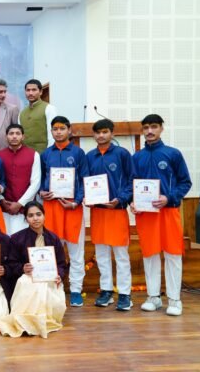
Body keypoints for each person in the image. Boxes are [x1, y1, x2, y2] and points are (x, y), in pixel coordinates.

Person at [132, 114, 192, 316]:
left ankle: (174, 300)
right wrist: (133, 202)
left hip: (168, 211)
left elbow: (185, 182)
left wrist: (169, 197)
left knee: (173, 254)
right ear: (142, 130)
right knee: (150, 255)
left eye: (154, 127)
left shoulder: (173, 154)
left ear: (161, 129)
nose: (149, 131)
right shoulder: (136, 157)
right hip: (146, 214)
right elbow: (132, 184)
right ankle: (154, 297)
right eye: (146, 127)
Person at [0, 201, 67, 339]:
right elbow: (11, 264)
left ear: (44, 216)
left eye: (38, 214)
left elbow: (61, 264)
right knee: (26, 282)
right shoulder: (17, 238)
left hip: (49, 277)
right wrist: (22, 268)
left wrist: (59, 274)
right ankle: (27, 321)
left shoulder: (53, 238)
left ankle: (42, 320)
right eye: (30, 216)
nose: (35, 218)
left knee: (46, 287)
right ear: (26, 218)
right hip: (28, 277)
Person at [86, 119, 135, 311]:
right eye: (98, 132)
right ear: (93, 135)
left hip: (117, 211)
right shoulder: (90, 156)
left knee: (121, 255)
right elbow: (85, 181)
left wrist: (120, 199)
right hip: (98, 212)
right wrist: (87, 197)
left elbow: (131, 179)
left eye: (105, 132)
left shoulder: (122, 154)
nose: (101, 135)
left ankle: (124, 294)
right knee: (101, 254)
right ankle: (106, 290)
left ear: (112, 133)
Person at [39, 116, 89, 307]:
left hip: (72, 208)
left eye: (62, 128)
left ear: (69, 130)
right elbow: (41, 180)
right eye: (55, 129)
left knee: (76, 252)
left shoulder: (78, 153)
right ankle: (53, 289)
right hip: (51, 208)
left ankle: (76, 290)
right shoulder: (46, 154)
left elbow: (84, 179)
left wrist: (76, 202)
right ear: (51, 131)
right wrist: (42, 191)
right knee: (51, 251)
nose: (58, 132)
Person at [0, 123, 41, 235]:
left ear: (23, 136)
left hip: (25, 209)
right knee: (5, 239)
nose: (14, 136)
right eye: (11, 134)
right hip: (4, 208)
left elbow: (36, 183)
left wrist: (20, 203)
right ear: (6, 137)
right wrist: (2, 200)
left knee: (23, 240)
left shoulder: (34, 155)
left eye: (17, 133)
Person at [18, 79, 58, 154]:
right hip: (25, 154)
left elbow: (52, 134)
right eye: (28, 90)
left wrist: (49, 153)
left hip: (44, 153)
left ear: (40, 92)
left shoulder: (49, 108)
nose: (30, 93)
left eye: (34, 90)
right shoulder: (22, 113)